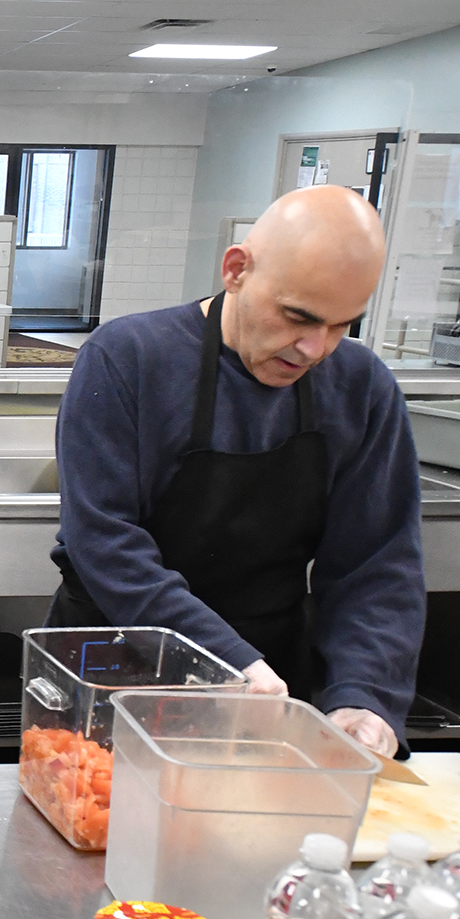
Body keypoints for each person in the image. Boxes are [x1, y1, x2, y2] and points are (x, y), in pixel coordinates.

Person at [50, 184, 423, 758]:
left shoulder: (362, 387)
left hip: (270, 683)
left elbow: (377, 564)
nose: (313, 348)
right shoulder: (129, 358)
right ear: (236, 269)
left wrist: (364, 694)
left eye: (342, 324)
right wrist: (226, 659)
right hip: (116, 666)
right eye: (297, 316)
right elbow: (104, 541)